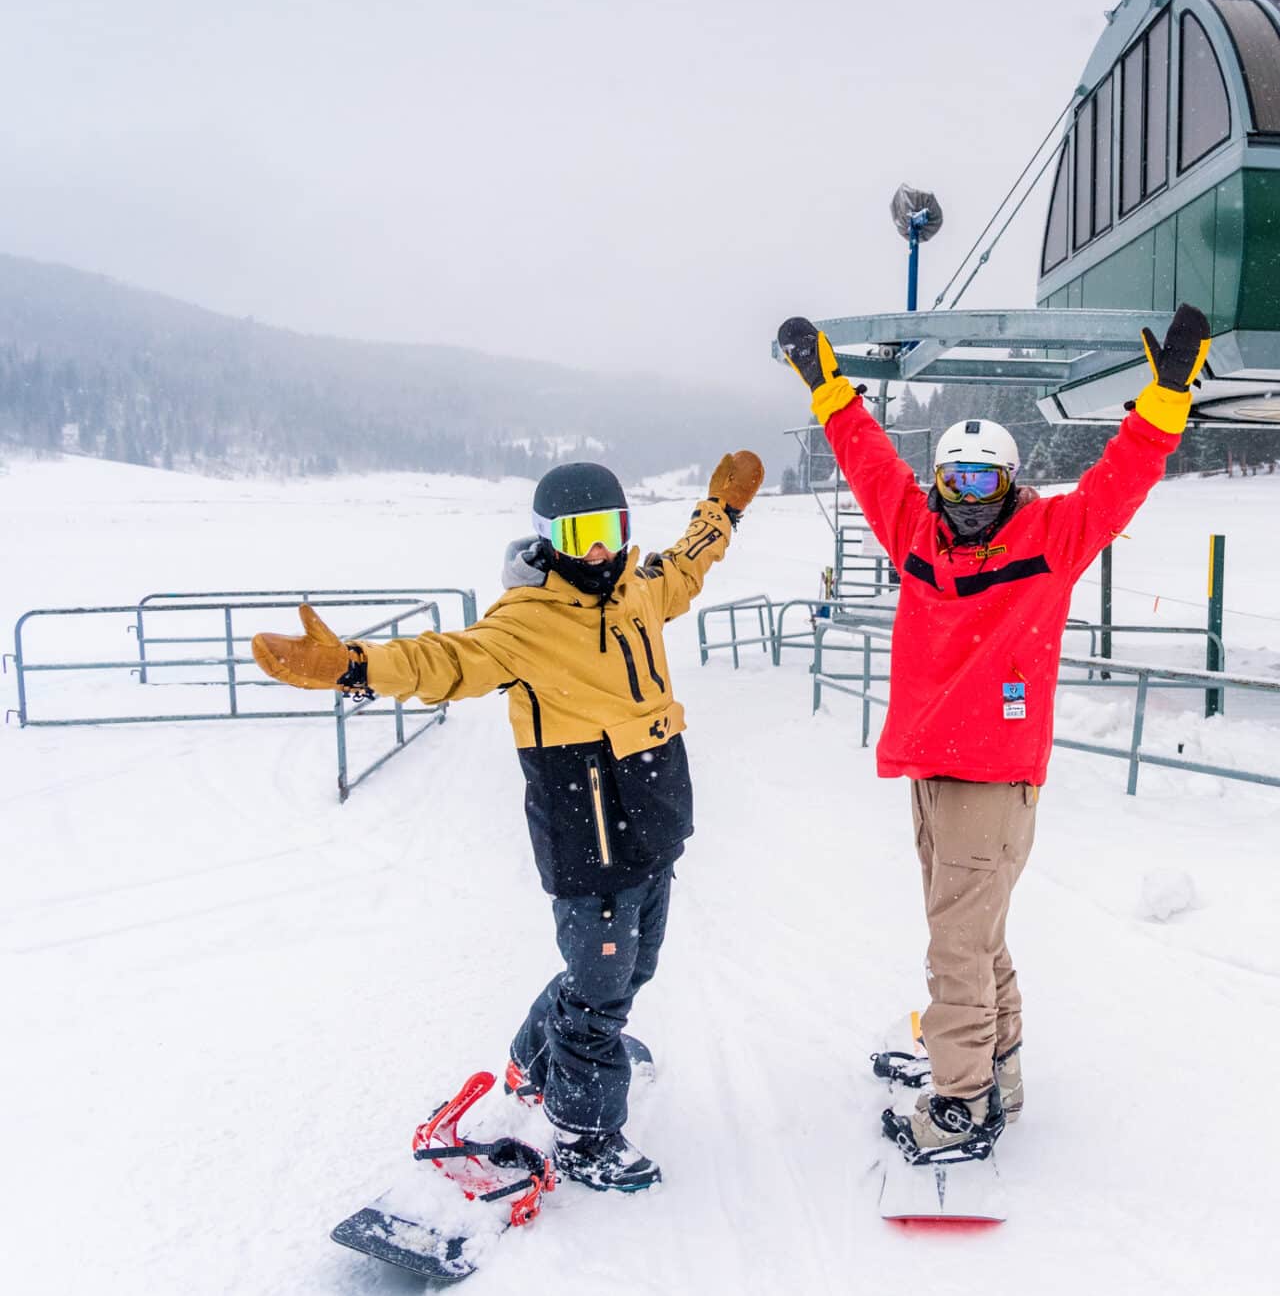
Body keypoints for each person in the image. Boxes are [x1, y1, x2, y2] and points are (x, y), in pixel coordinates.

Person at [251, 454, 763, 1191]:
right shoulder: (524, 622)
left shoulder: (638, 591)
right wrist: (353, 665)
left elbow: (685, 562)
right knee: (599, 994)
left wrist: (723, 510)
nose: (598, 550)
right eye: (580, 534)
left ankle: (533, 1060)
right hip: (589, 837)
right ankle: (585, 1133)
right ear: (548, 539)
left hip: (651, 826)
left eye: (609, 530)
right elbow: (442, 660)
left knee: (628, 969)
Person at [775, 304, 1209, 1165]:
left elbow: (1117, 482)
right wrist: (830, 389)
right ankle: (995, 1071)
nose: (967, 496)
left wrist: (1162, 402)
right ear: (939, 482)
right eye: (955, 479)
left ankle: (963, 1103)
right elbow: (869, 467)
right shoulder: (917, 537)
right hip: (936, 777)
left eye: (985, 481)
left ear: (1009, 484)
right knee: (981, 938)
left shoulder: (1049, 541)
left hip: (991, 781)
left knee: (956, 953)